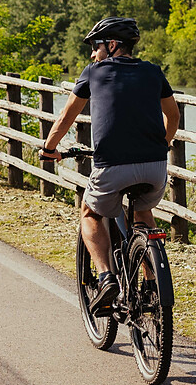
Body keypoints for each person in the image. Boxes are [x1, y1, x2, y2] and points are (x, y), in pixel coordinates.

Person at [39, 17, 179, 313]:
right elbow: (174, 117)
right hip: (155, 168)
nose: (92, 54)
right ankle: (152, 284)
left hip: (112, 167)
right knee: (142, 211)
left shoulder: (94, 73)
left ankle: (105, 278)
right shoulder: (154, 72)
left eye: (95, 46)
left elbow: (66, 117)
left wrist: (49, 148)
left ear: (112, 45)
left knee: (90, 212)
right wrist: (161, 145)